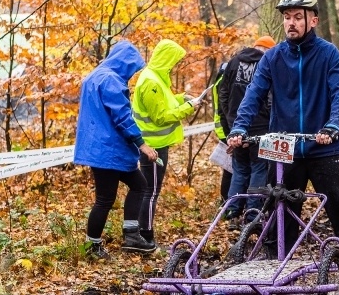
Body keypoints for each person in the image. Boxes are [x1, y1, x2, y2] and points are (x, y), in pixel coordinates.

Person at [226, 0, 339, 288]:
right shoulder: (272, 57)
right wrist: (239, 128)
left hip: (323, 146)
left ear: (313, 20)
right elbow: (253, 95)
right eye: (287, 18)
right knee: (278, 210)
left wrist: (334, 124)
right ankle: (274, 268)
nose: (291, 23)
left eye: (297, 17)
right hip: (284, 150)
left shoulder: (328, 54)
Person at [74, 40, 159, 260]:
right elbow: (122, 116)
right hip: (109, 149)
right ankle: (93, 247)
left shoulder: (93, 76)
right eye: (131, 69)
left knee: (139, 184)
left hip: (100, 147)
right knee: (105, 198)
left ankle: (131, 235)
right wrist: (141, 143)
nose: (131, 74)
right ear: (124, 62)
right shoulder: (111, 80)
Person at [132, 39, 202, 251]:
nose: (176, 65)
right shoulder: (152, 83)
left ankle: (144, 233)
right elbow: (161, 116)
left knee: (150, 189)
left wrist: (182, 98)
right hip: (153, 146)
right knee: (151, 191)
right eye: (174, 61)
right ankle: (146, 235)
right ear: (166, 59)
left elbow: (166, 102)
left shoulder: (157, 78)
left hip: (156, 144)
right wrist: (188, 108)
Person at [219, 35, 275, 228]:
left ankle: (232, 212)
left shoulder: (233, 61)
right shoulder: (267, 64)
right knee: (259, 168)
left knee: (240, 169)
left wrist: (230, 125)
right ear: (267, 49)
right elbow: (270, 98)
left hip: (237, 126)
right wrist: (269, 121)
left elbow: (223, 95)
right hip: (260, 127)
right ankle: (252, 215)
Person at [211, 61, 232, 203]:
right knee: (230, 170)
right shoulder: (223, 83)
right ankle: (225, 202)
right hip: (225, 129)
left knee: (229, 169)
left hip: (223, 129)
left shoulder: (219, 81)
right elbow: (225, 108)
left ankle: (225, 202)